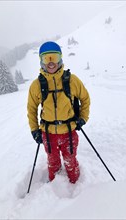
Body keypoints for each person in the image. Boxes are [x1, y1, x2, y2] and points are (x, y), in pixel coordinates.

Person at [27, 41, 90, 184]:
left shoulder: (72, 80)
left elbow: (85, 99)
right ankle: (54, 189)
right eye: (46, 58)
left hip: (69, 131)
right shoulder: (36, 85)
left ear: (60, 58)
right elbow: (31, 109)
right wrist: (34, 130)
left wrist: (82, 118)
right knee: (53, 162)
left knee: (70, 160)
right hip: (48, 134)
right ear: (41, 61)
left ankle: (76, 186)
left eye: (54, 58)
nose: (50, 63)